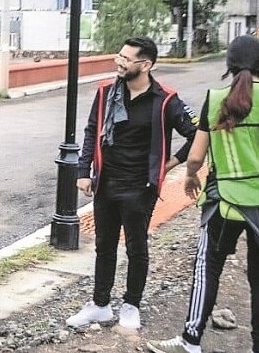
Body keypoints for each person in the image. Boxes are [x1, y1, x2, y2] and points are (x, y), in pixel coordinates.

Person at [147, 35, 259, 353]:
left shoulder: (217, 99)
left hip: (226, 202)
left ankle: (190, 342)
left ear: (229, 66)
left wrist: (191, 177)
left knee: (208, 267)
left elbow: (196, 155)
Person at [67, 36, 197, 330]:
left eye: (126, 59)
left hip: (140, 187)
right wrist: (83, 172)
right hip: (106, 183)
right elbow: (91, 131)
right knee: (104, 245)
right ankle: (100, 305)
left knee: (137, 247)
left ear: (145, 64)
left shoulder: (165, 100)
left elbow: (199, 132)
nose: (119, 62)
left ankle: (131, 304)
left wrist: (173, 162)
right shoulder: (106, 92)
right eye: (120, 56)